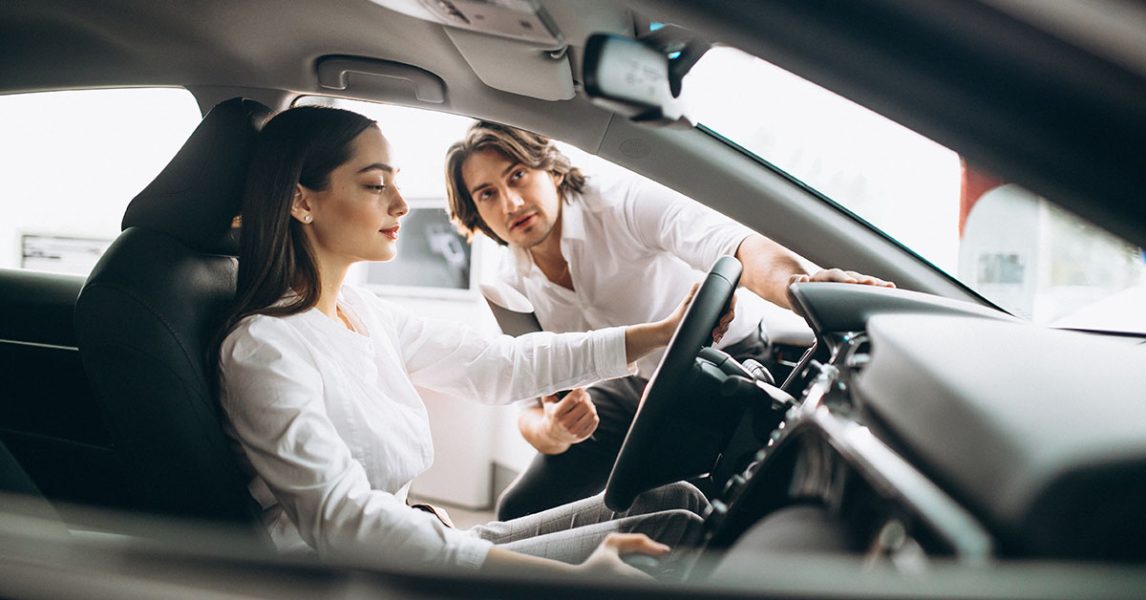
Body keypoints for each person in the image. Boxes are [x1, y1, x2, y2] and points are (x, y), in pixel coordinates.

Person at [215, 106, 730, 579]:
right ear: (302, 201)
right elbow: (345, 522)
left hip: (415, 543)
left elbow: (497, 364)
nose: (399, 204)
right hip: (355, 577)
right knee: (672, 536)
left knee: (678, 501)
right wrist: (569, 580)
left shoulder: (361, 311)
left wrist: (657, 334)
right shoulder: (265, 348)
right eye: (375, 186)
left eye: (396, 184)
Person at [445, 122, 894, 521]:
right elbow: (531, 406)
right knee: (518, 509)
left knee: (684, 505)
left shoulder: (622, 201)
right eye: (487, 193)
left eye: (517, 175)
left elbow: (735, 245)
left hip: (723, 363)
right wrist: (552, 431)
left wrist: (801, 286)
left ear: (553, 170)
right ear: (474, 211)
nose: (511, 202)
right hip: (633, 382)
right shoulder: (508, 282)